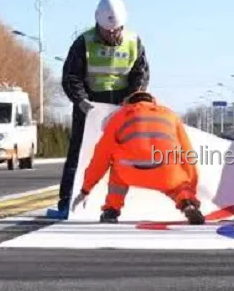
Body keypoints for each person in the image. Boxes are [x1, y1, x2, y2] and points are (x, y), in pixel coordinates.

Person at [48, 0, 149, 219]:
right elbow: (71, 76)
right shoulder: (83, 42)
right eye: (107, 31)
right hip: (89, 106)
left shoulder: (134, 42)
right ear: (98, 24)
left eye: (116, 30)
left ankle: (119, 204)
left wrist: (132, 99)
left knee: (124, 156)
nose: (112, 35)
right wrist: (82, 101)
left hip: (122, 107)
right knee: (79, 154)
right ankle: (67, 203)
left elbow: (140, 74)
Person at [70, 91, 204, 224]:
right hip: (166, 170)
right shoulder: (170, 115)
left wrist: (86, 189)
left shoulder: (119, 116)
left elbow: (101, 156)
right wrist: (191, 188)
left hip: (130, 172)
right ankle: (187, 204)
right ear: (153, 101)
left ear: (128, 103)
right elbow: (187, 152)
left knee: (116, 165)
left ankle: (111, 210)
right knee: (178, 186)